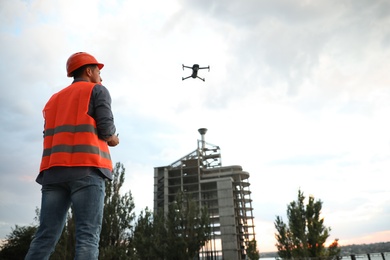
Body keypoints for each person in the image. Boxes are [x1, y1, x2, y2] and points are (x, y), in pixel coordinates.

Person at [25, 52, 119, 260]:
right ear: (88, 71)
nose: (101, 77)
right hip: (87, 169)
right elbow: (106, 131)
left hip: (53, 173)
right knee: (87, 236)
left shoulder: (53, 100)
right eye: (98, 71)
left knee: (45, 236)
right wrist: (114, 139)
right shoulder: (97, 91)